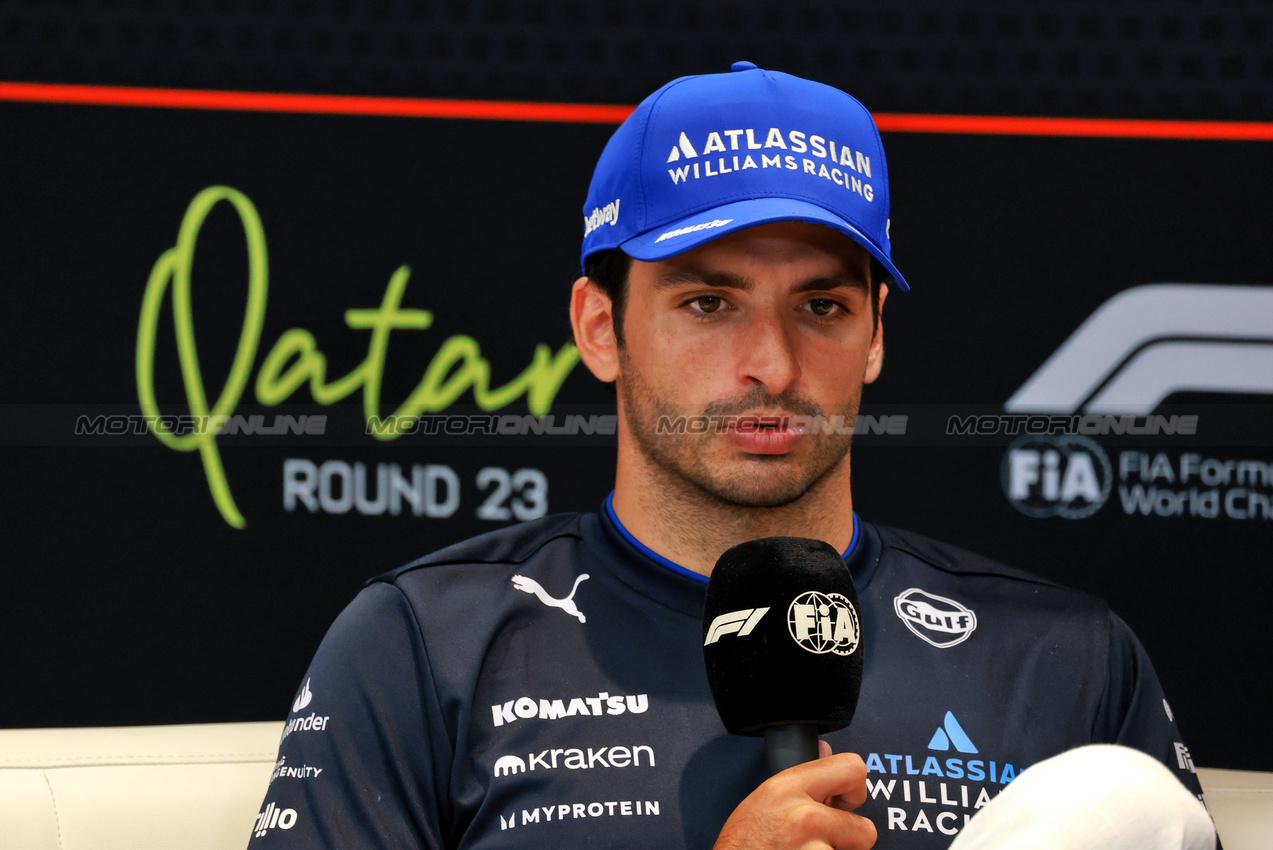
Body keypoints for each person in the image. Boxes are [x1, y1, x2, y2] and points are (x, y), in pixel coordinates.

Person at [247, 63, 1214, 849]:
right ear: (600, 327)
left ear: (875, 336)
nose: (772, 365)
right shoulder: (423, 645)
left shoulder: (1064, 659)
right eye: (708, 304)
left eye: (822, 307)